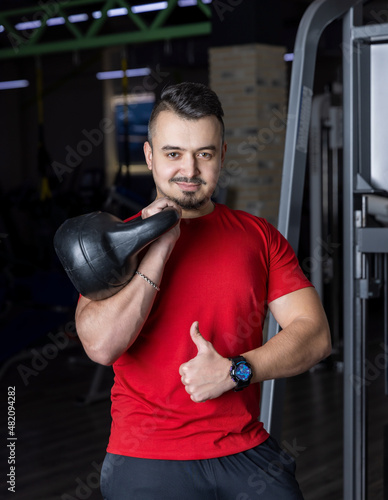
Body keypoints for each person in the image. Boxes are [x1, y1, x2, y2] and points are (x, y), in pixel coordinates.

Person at [75, 82, 332, 500]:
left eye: (204, 155)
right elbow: (101, 346)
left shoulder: (259, 237)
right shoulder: (115, 242)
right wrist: (159, 246)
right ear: (150, 156)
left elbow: (315, 335)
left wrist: (237, 370)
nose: (189, 171)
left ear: (222, 156)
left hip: (244, 448)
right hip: (147, 458)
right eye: (174, 154)